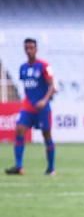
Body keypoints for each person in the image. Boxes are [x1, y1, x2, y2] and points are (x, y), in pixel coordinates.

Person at [6, 38, 56, 175]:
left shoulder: (45, 66)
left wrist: (45, 100)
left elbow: (52, 86)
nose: (29, 50)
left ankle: (51, 168)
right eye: (26, 48)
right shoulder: (23, 68)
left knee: (47, 135)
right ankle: (19, 166)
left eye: (31, 48)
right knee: (19, 130)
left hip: (42, 108)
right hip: (28, 107)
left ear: (36, 49)